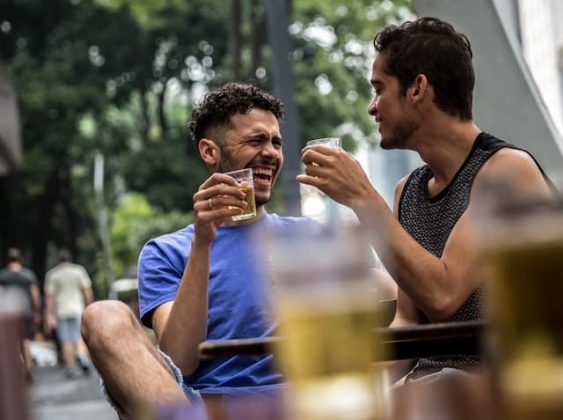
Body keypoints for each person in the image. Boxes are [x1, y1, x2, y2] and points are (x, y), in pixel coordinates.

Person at [298, 17, 554, 380]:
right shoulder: (408, 190)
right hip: (435, 389)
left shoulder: (507, 172)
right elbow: (408, 319)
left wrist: (361, 196)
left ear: (417, 88)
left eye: (379, 89)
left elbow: (443, 296)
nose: (372, 107)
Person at [80, 83, 323, 419]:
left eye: (276, 142)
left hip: (304, 404)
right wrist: (203, 243)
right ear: (210, 152)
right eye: (256, 140)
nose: (271, 152)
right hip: (200, 410)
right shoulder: (167, 251)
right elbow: (180, 358)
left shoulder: (307, 235)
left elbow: (385, 305)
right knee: (102, 315)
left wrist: (358, 201)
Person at [45, 249, 94, 378]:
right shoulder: (78, 270)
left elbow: (50, 296)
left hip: (62, 311)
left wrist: (49, 314)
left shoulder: (53, 274)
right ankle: (82, 356)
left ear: (58, 261)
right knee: (79, 337)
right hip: (78, 309)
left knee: (66, 340)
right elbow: (87, 290)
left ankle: (70, 367)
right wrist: (89, 306)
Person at [0, 248, 41, 381]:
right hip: (26, 311)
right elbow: (34, 295)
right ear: (20, 259)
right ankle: (27, 368)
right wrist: (37, 311)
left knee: (13, 343)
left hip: (9, 314)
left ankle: (17, 369)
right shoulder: (28, 275)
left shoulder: (3, 276)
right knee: (25, 341)